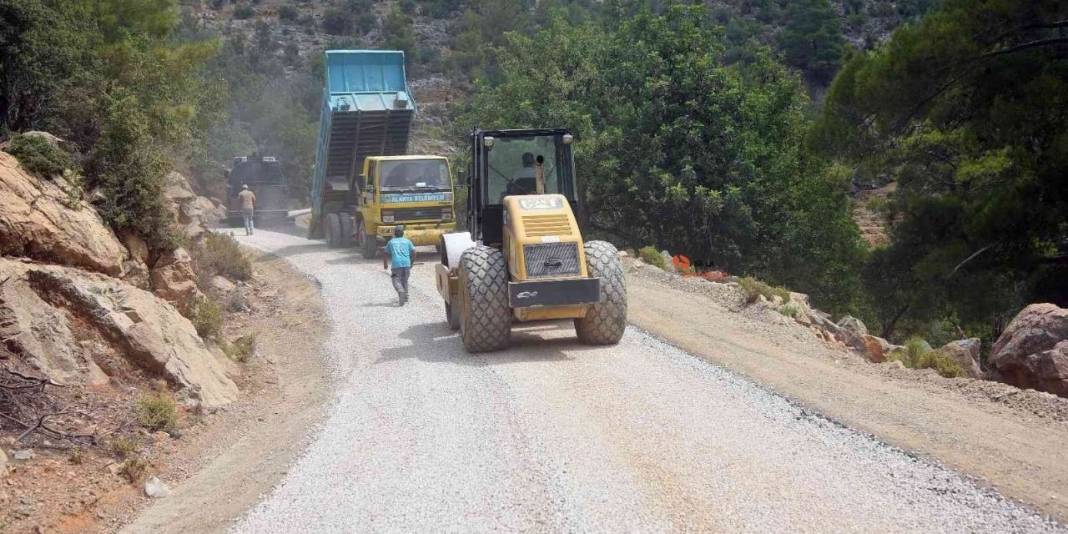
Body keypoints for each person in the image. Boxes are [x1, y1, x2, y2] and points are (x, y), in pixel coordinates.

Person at [383, 225, 415, 306]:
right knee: (404, 280)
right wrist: (411, 262)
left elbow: (385, 253)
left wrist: (385, 264)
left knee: (396, 280)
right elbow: (414, 252)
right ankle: (406, 297)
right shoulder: (407, 241)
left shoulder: (391, 242)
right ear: (403, 233)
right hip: (407, 264)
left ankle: (401, 291)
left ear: (394, 233)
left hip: (396, 265)